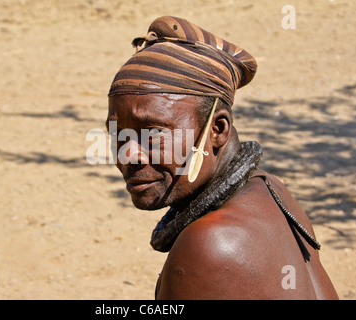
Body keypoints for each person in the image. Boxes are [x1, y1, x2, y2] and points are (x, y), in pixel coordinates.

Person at [106, 16, 338, 299]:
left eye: (153, 133)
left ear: (218, 129)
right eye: (118, 134)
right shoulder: (271, 189)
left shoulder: (211, 244)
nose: (128, 154)